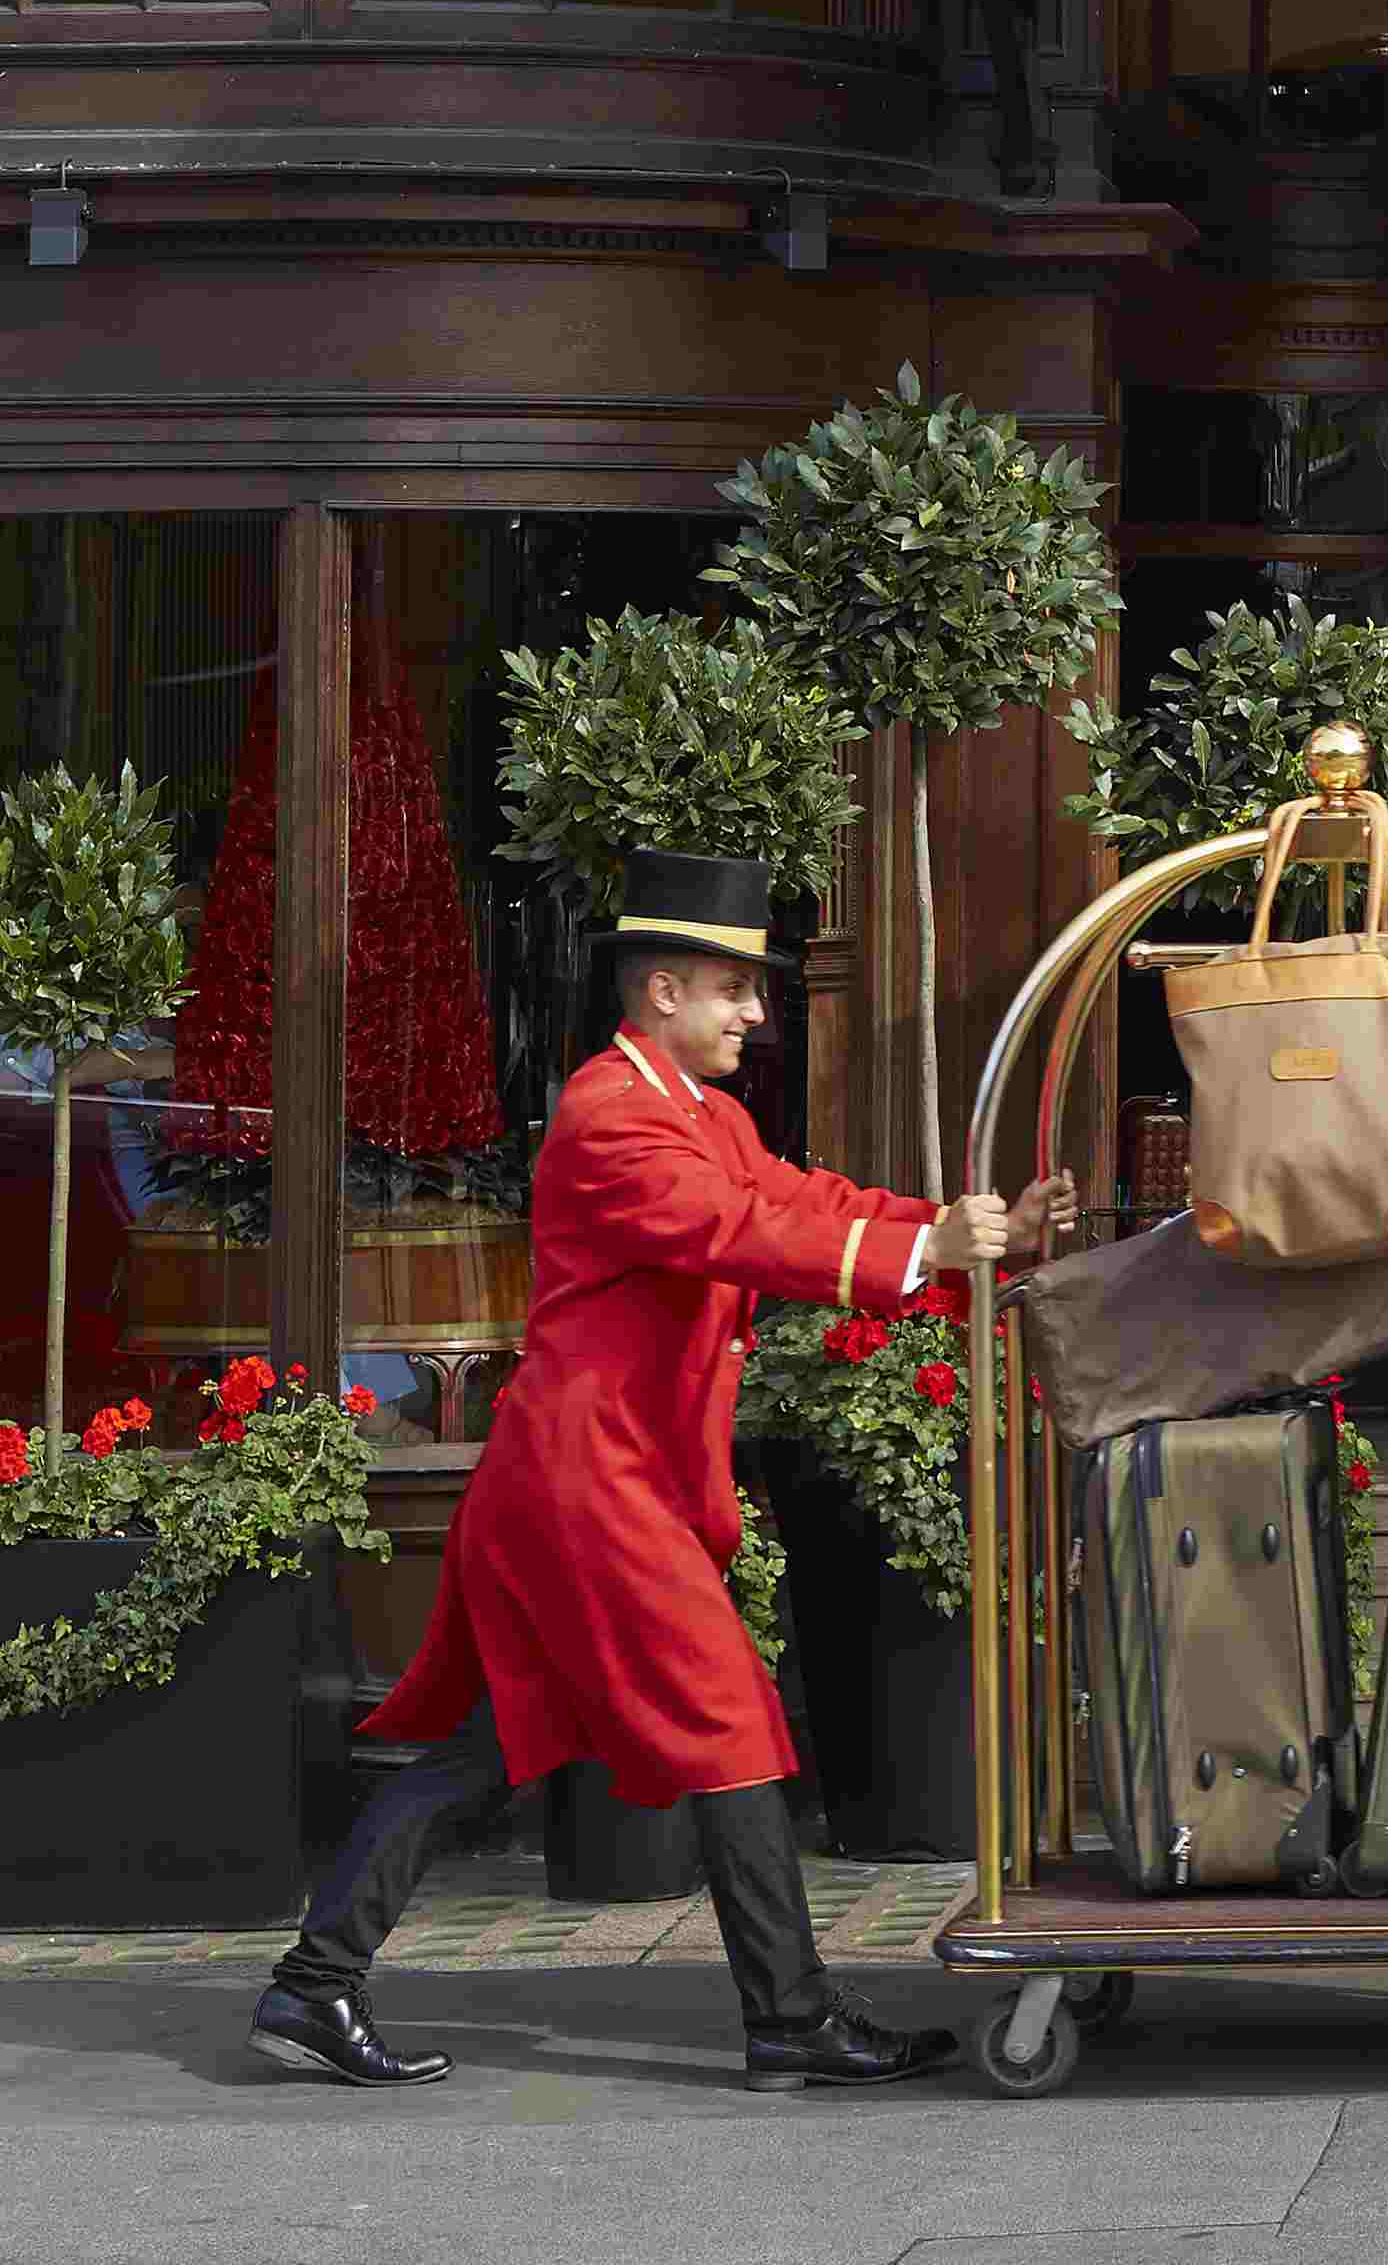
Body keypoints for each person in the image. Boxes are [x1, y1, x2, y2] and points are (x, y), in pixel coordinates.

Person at [249, 848, 1077, 2090]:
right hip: (594, 1493)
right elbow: (742, 1233)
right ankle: (789, 2017)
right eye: (737, 988)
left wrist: (971, 1236)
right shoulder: (608, 1113)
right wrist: (930, 1251)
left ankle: (312, 1988)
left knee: (489, 1742)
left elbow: (806, 1197)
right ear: (662, 995)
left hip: (591, 1485)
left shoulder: (700, 1111)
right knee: (730, 1717)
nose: (756, 1011)